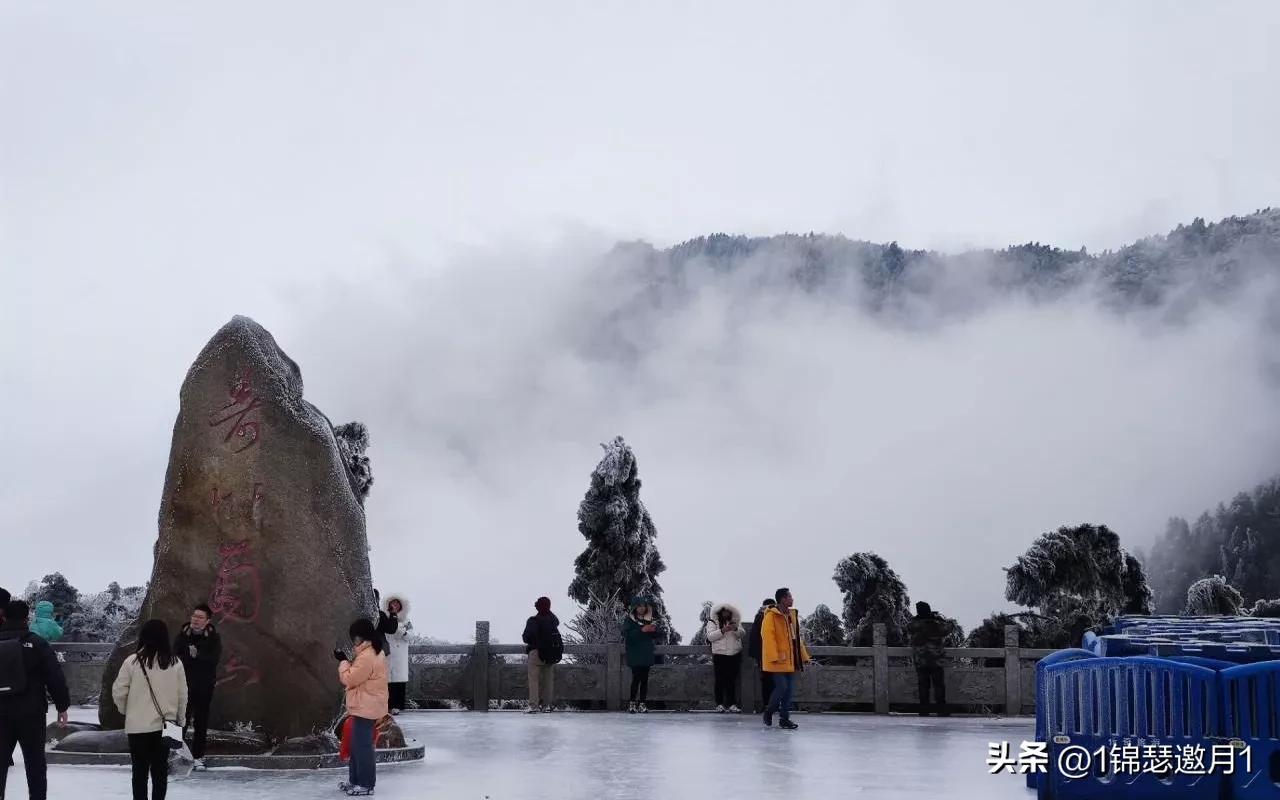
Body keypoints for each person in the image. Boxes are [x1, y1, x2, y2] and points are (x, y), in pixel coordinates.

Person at [0, 600, 70, 800]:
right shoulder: (38, 644)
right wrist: (62, 706)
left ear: (3, 617)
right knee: (35, 764)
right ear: (27, 618)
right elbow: (55, 677)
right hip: (31, 713)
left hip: (1, 714)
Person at [112, 619, 188, 800]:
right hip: (166, 727)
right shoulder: (175, 663)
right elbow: (182, 694)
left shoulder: (132, 662)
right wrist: (181, 718)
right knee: (160, 771)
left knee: (139, 772)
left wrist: (126, 711)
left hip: (137, 726)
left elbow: (118, 692)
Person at [336, 618, 389, 797]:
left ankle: (366, 784)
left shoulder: (368, 655)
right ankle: (355, 781)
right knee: (357, 745)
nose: (353, 641)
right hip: (365, 705)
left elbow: (350, 678)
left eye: (355, 637)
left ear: (360, 636)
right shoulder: (372, 651)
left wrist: (343, 661)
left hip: (367, 706)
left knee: (363, 747)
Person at [173, 603, 221, 769]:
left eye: (200, 617)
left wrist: (198, 655)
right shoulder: (182, 636)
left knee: (201, 722)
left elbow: (213, 659)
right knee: (178, 720)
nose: (195, 620)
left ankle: (198, 756)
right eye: (194, 616)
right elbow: (174, 658)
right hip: (182, 685)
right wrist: (188, 655)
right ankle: (173, 753)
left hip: (204, 686)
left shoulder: (213, 638)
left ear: (207, 621)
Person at [761, 588, 810, 730]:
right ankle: (768, 712)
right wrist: (773, 656)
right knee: (781, 688)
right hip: (777, 660)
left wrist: (804, 657)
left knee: (789, 691)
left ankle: (784, 719)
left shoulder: (791, 615)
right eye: (790, 596)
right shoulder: (771, 616)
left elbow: (796, 639)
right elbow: (768, 637)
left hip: (791, 659)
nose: (792, 599)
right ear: (783, 599)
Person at [908, 601, 950, 717]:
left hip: (921, 660)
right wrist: (936, 618)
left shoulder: (915, 624)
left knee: (923, 686)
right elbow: (947, 629)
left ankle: (924, 710)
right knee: (939, 686)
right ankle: (942, 710)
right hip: (936, 660)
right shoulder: (936, 623)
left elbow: (908, 628)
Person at [520, 597, 560, 713]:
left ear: (538, 607)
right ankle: (547, 706)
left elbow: (526, 638)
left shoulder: (533, 620)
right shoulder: (553, 621)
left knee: (533, 680)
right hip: (550, 654)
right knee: (548, 680)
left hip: (536, 654)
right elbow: (555, 621)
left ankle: (533, 706)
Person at [622, 597, 660, 714]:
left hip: (646, 652)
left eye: (643, 606)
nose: (642, 608)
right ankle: (632, 703)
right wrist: (641, 630)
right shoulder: (629, 620)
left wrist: (653, 630)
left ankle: (642, 703)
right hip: (635, 653)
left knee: (645, 679)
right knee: (636, 678)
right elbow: (627, 636)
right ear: (635, 607)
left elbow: (656, 636)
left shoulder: (650, 619)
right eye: (639, 606)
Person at [376, 593, 412, 715]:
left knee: (399, 680)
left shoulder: (406, 620)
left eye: (397, 603)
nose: (394, 605)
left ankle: (397, 706)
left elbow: (411, 635)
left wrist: (403, 633)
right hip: (388, 651)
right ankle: (386, 706)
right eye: (392, 603)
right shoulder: (384, 616)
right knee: (387, 679)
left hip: (401, 653)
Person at [705, 602, 744, 713]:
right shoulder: (712, 622)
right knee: (719, 680)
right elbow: (710, 637)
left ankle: (732, 704)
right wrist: (722, 630)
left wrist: (735, 629)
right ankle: (719, 704)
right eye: (724, 612)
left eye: (728, 612)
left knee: (731, 680)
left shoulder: (735, 621)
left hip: (734, 654)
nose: (726, 614)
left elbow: (742, 633)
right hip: (720, 654)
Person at [747, 597, 776, 713]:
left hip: (763, 655)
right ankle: (770, 705)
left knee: (767, 681)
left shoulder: (759, 616)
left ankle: (768, 704)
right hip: (768, 654)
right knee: (772, 681)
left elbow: (753, 638)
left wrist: (756, 656)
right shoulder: (766, 616)